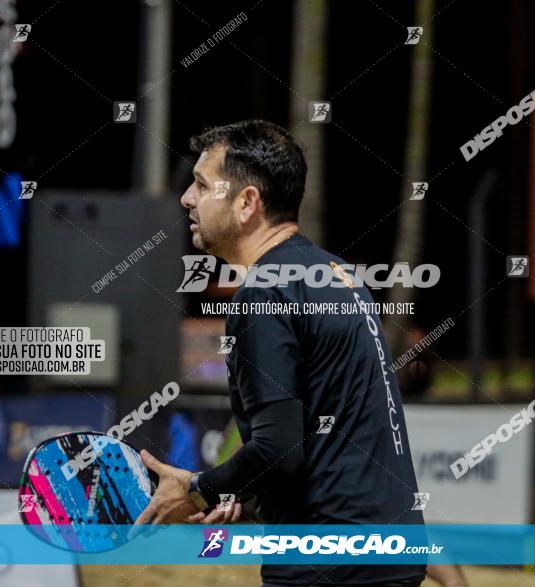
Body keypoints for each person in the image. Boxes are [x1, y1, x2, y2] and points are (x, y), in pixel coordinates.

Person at [133, 120, 426, 586]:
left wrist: (195, 491)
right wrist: (242, 494)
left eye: (203, 185)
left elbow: (279, 449)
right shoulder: (339, 274)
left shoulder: (265, 290)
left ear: (247, 202)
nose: (188, 198)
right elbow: (311, 442)